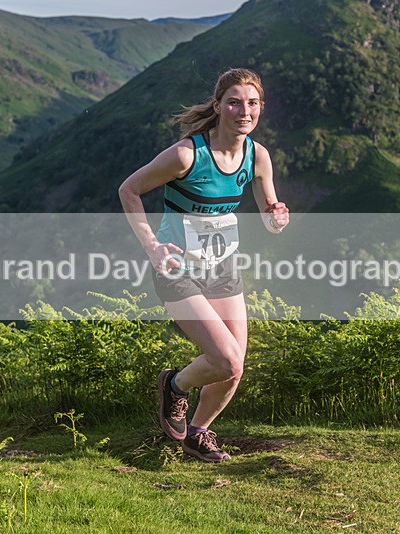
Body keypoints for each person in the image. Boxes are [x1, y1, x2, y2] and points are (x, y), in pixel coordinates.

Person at [118, 68, 289, 462]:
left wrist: (277, 216)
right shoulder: (186, 155)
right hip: (177, 269)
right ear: (218, 106)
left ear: (260, 108)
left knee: (235, 367)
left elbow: (269, 213)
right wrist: (153, 246)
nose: (243, 111)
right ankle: (174, 386)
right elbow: (128, 189)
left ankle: (198, 432)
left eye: (252, 103)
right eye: (234, 102)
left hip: (223, 269)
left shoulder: (257, 155)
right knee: (225, 358)